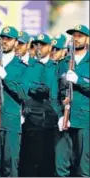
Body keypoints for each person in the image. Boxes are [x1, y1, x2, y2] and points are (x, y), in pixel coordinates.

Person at [0, 26, 27, 177]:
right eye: (3, 38)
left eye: (9, 39)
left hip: (11, 121)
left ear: (16, 43)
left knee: (10, 165)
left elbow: (23, 93)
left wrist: (5, 77)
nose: (5, 41)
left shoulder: (22, 67)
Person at [20, 33, 62, 176]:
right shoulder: (29, 66)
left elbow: (52, 90)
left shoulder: (55, 67)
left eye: (43, 44)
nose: (39, 47)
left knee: (49, 162)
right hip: (32, 120)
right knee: (31, 161)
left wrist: (36, 88)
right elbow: (25, 88)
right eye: (37, 44)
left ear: (50, 47)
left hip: (52, 121)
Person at [56, 24, 89, 177]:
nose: (76, 39)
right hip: (65, 120)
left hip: (85, 120)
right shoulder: (63, 63)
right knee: (61, 166)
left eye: (80, 36)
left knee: (84, 166)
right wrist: (60, 114)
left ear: (87, 39)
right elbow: (55, 92)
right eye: (74, 35)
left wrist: (79, 80)